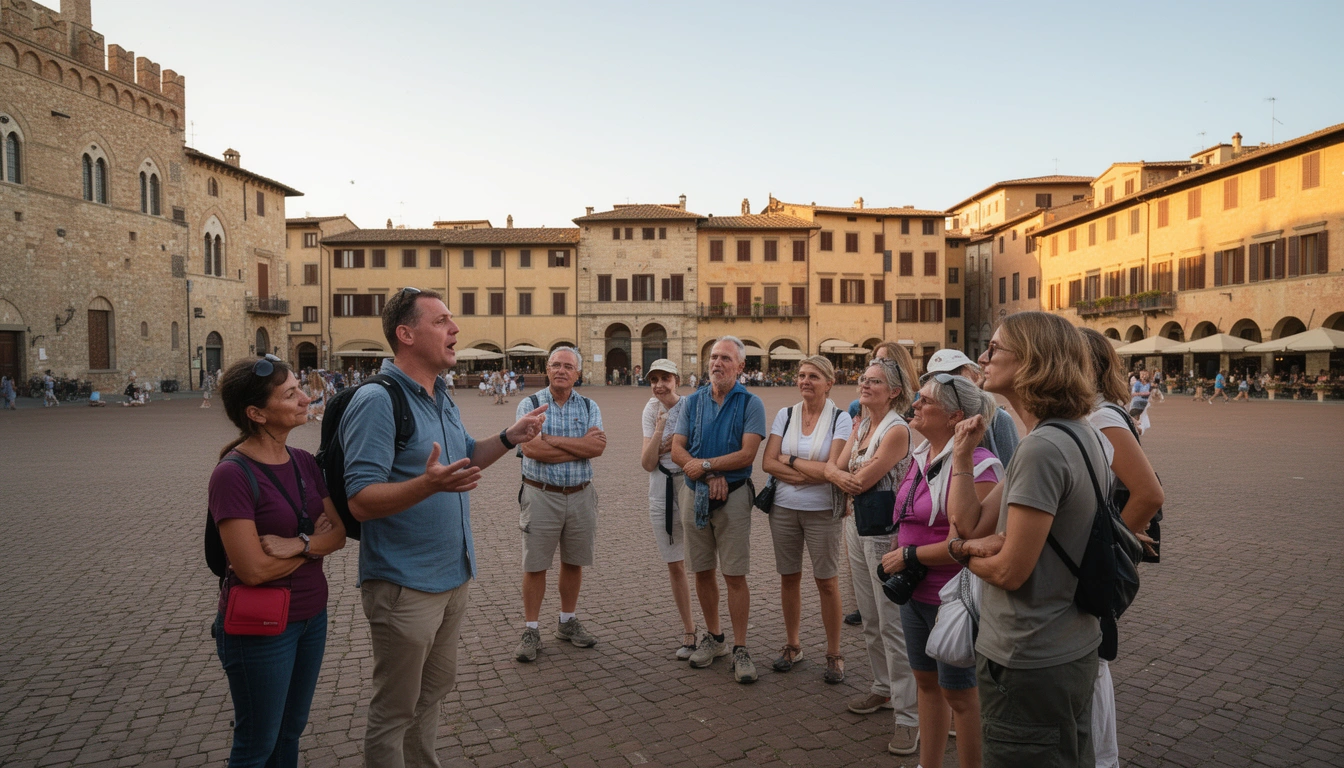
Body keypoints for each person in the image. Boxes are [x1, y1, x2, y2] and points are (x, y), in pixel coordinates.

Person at [341, 288, 546, 767]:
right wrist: (427, 486)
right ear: (406, 334)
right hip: (403, 584)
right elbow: (360, 500)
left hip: (453, 577)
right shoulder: (377, 400)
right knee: (394, 710)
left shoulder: (439, 395)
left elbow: (464, 459)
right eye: (442, 321)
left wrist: (507, 438)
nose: (455, 329)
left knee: (431, 697)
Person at [946, 311, 1109, 767]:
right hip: (1069, 645)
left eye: (995, 349)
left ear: (1032, 362)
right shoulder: (1073, 435)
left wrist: (960, 554)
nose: (983, 357)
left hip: (1029, 654)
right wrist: (962, 455)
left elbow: (1008, 570)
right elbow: (970, 524)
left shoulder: (1041, 449)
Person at [209, 354, 348, 767]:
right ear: (257, 413)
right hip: (261, 627)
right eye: (291, 394)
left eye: (301, 388)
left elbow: (339, 535)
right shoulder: (232, 474)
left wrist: (296, 545)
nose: (306, 398)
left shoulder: (305, 462)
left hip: (311, 617)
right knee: (256, 744)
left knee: (290, 732)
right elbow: (252, 570)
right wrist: (314, 544)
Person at [881, 373, 1003, 768]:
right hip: (915, 594)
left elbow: (965, 541)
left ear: (955, 417)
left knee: (962, 697)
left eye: (926, 401)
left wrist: (909, 556)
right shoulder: (922, 456)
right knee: (926, 686)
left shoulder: (981, 466)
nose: (915, 404)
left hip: (953, 598)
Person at [826, 357, 921, 757]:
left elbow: (859, 477)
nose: (864, 386)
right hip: (856, 524)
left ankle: (909, 717)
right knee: (868, 615)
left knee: (893, 625)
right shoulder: (862, 421)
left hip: (885, 533)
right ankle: (882, 689)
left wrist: (841, 478)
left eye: (874, 382)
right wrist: (840, 476)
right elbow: (836, 466)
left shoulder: (896, 429)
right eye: (864, 379)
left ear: (895, 391)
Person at [1080, 327, 1165, 768]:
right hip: (1097, 550)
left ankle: (1101, 758)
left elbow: (1148, 494)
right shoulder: (1097, 413)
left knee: (1090, 661)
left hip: (1096, 556)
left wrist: (1108, 548)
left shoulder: (1101, 418)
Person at [671, 336, 767, 683]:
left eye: (725, 358)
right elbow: (677, 448)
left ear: (740, 367)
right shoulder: (693, 402)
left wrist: (707, 466)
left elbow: (747, 455)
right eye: (713, 357)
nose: (717, 363)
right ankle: (716, 637)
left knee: (735, 574)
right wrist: (706, 472)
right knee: (702, 570)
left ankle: (741, 647)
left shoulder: (751, 403)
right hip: (694, 494)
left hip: (735, 496)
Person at [761, 355, 853, 682]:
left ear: (829, 383)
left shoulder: (841, 420)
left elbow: (834, 469)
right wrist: (807, 472)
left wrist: (791, 459)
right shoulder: (785, 415)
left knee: (826, 581)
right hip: (783, 509)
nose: (804, 381)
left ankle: (834, 652)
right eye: (801, 375)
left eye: (813, 376)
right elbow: (767, 463)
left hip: (823, 511)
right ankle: (793, 644)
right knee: (789, 577)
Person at [513, 347, 607, 662]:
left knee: (573, 561)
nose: (561, 370)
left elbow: (596, 448)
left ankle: (567, 621)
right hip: (541, 493)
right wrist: (578, 447)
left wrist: (552, 440)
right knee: (535, 564)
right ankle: (531, 628)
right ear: (547, 369)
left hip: (580, 494)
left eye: (568, 366)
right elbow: (531, 450)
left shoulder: (590, 405)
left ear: (578, 373)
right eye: (555, 365)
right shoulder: (531, 404)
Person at [639, 358, 697, 660]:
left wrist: (664, 444)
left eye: (665, 378)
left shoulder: (692, 405)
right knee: (675, 563)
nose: (659, 385)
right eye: (654, 379)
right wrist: (663, 427)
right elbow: (648, 463)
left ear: (677, 379)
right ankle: (689, 629)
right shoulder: (650, 410)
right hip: (661, 489)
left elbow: (692, 448)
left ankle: (714, 628)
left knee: (701, 560)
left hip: (690, 485)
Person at [923, 348, 1020, 466]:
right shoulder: (934, 420)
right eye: (937, 378)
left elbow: (1010, 470)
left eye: (955, 372)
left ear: (974, 375)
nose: (948, 383)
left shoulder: (998, 418)